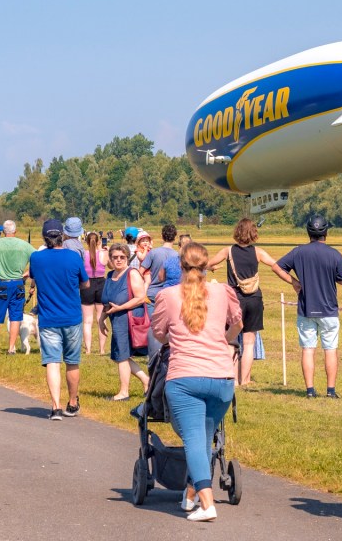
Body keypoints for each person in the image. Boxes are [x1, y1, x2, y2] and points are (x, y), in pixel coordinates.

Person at [151, 243, 243, 522]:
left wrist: (176, 340)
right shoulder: (222, 291)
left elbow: (158, 332)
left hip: (185, 377)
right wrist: (221, 340)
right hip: (221, 377)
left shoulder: (167, 296)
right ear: (207, 265)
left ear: (180, 265)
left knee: (192, 440)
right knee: (203, 438)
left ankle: (207, 502)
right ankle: (190, 495)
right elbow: (238, 323)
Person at [272, 214, 342, 398]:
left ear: (308, 232)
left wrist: (293, 281)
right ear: (326, 233)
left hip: (306, 308)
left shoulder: (298, 252)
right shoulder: (334, 254)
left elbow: (276, 267)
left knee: (308, 349)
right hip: (329, 309)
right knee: (330, 349)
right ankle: (330, 390)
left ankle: (310, 390)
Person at [207, 218, 279, 386]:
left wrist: (210, 268)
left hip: (234, 299)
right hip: (254, 298)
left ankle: (233, 378)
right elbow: (275, 265)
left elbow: (207, 263)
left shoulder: (228, 251)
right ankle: (245, 380)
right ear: (253, 233)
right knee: (249, 342)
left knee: (232, 339)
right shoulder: (258, 252)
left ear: (237, 232)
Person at [30, 219, 89, 420]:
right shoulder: (73, 257)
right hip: (71, 316)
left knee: (52, 362)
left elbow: (34, 278)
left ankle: (55, 407)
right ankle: (72, 403)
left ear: (44, 237)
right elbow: (85, 284)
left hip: (48, 318)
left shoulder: (36, 258)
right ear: (62, 236)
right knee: (72, 362)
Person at [99, 243, 150, 400]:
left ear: (127, 258)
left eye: (122, 257)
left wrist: (120, 307)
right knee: (120, 356)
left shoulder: (132, 273)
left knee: (121, 356)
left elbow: (141, 298)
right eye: (115, 257)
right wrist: (102, 319)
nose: (119, 260)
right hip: (116, 319)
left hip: (128, 320)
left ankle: (124, 392)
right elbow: (107, 302)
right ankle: (147, 380)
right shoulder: (110, 276)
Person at [0, 221, 37, 355]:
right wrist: (28, 273)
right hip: (18, 283)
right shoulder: (24, 245)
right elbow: (37, 258)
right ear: (15, 231)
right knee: (15, 316)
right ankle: (11, 348)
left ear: (4, 232)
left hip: (2, 283)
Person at [141, 224, 181, 358]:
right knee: (170, 325)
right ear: (175, 238)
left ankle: (152, 354)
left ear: (162, 236)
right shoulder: (177, 256)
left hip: (153, 293)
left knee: (154, 326)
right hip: (170, 295)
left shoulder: (153, 253)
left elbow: (141, 271)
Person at [81, 231, 108, 355]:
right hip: (101, 284)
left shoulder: (83, 255)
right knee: (101, 319)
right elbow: (112, 266)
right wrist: (105, 250)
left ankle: (88, 349)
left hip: (87, 285)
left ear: (86, 242)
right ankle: (102, 350)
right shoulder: (103, 254)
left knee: (87, 320)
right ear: (98, 242)